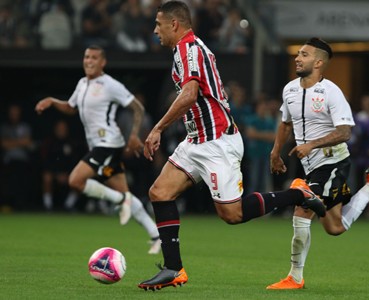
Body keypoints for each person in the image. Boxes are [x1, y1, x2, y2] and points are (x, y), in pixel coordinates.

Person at [137, 1, 325, 291]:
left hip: (217, 143)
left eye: (158, 25)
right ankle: (174, 268)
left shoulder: (191, 50)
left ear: (174, 24)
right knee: (159, 193)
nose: (155, 30)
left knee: (232, 215)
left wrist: (158, 128)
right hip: (197, 140)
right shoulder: (183, 50)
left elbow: (189, 94)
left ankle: (296, 194)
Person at [266, 37, 369, 290]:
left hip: (333, 162)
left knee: (302, 208)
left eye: (305, 54)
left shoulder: (332, 92)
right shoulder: (289, 89)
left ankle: (295, 278)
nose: (298, 58)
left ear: (319, 62)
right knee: (334, 227)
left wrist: (311, 144)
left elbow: (345, 132)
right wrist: (275, 152)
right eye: (298, 53)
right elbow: (286, 123)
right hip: (310, 164)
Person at [35, 45, 161, 254]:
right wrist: (52, 101)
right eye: (86, 57)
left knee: (75, 180)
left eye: (94, 57)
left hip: (108, 144)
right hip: (99, 146)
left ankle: (120, 201)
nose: (89, 60)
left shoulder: (110, 84)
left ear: (102, 62)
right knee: (124, 192)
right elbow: (70, 107)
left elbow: (137, 107)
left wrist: (133, 135)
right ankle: (156, 236)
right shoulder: (82, 83)